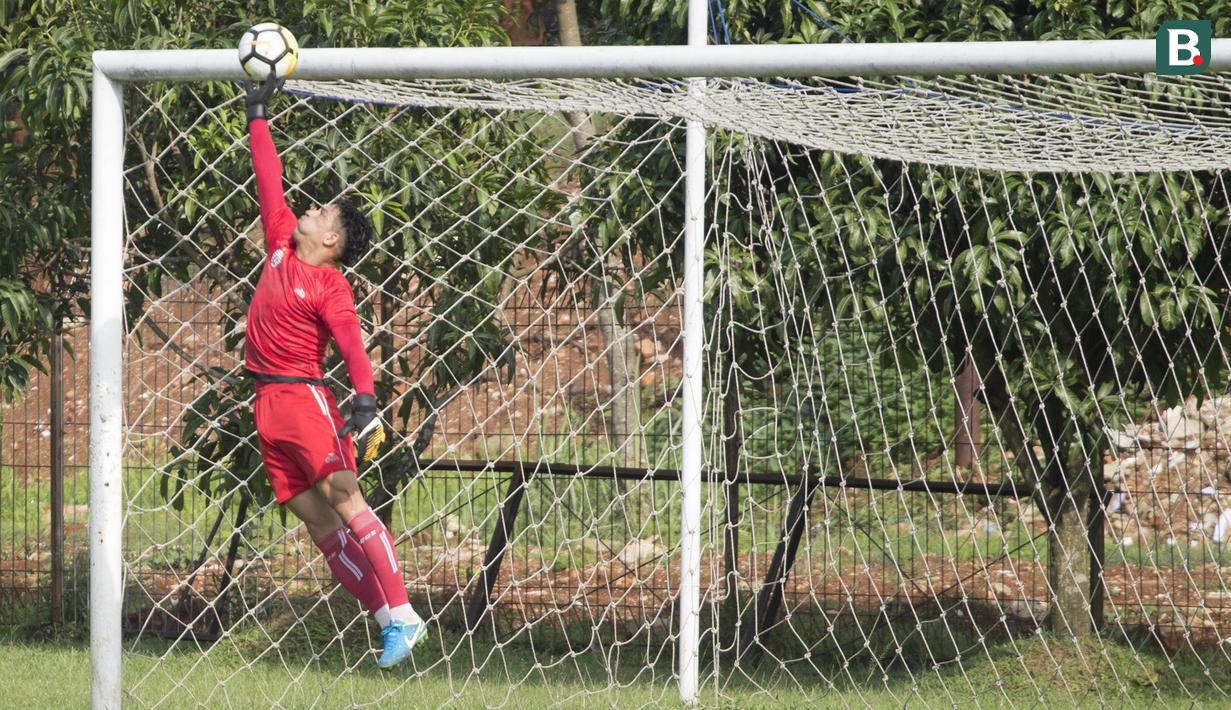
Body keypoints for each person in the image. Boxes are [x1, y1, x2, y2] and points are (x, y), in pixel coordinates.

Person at [241, 74, 426, 668]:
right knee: (320, 525)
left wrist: (366, 400)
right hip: (266, 407)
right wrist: (258, 113)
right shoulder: (279, 246)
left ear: (331, 238)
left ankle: (404, 612)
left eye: (320, 210)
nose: (308, 209)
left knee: (347, 500)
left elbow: (349, 340)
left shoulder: (328, 281)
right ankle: (384, 619)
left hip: (303, 399)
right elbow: (270, 182)